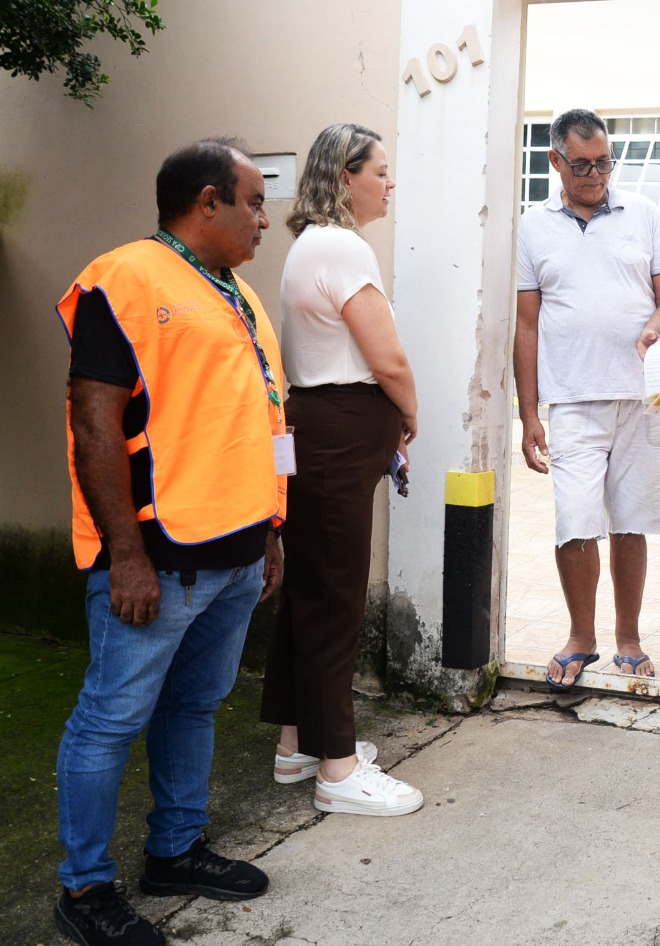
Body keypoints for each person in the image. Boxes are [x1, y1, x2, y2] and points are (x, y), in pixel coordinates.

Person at [53, 138, 284, 946]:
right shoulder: (124, 278)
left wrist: (272, 531)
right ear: (207, 202)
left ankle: (175, 850)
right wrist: (123, 554)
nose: (265, 218)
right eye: (254, 201)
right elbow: (95, 423)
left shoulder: (237, 295)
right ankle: (84, 890)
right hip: (159, 559)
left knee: (194, 705)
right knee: (110, 719)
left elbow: (263, 417)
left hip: (236, 553)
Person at [259, 123, 423, 817]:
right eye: (380, 171)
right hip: (339, 432)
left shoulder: (310, 246)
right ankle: (338, 769)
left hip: (324, 432)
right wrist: (409, 414)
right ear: (347, 174)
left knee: (311, 594)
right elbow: (386, 359)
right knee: (335, 602)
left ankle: (300, 744)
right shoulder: (343, 245)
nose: (390, 183)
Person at [513, 108, 660, 688]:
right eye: (582, 164)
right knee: (574, 521)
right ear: (554, 161)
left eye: (604, 163)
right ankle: (580, 637)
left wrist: (656, 327)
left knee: (631, 522)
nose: (596, 175)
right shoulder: (531, 226)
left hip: (641, 399)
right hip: (572, 402)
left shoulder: (644, 214)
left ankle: (629, 639)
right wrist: (528, 412)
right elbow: (526, 326)